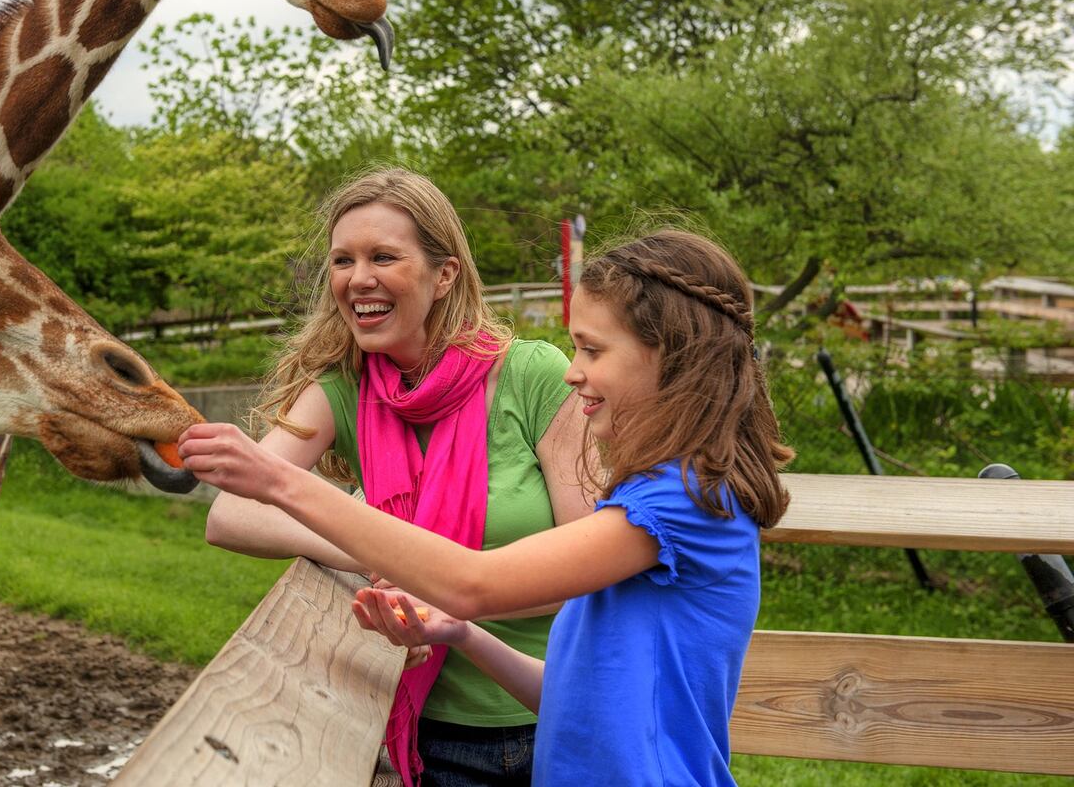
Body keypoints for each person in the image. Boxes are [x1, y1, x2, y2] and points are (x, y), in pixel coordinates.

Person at [183, 230, 795, 787]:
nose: (574, 373)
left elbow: (474, 581)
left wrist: (280, 481)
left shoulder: (683, 501)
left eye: (591, 350)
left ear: (673, 356)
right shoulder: (654, 496)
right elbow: (576, 697)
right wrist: (464, 635)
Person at [202, 168, 592, 787]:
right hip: (428, 734)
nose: (359, 279)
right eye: (342, 260)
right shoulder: (342, 388)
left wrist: (431, 573)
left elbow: (585, 565)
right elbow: (230, 514)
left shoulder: (535, 375)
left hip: (553, 720)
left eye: (384, 256)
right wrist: (369, 545)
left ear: (444, 275)